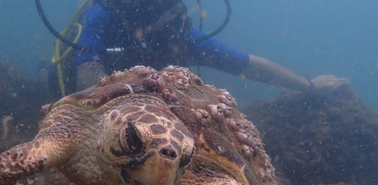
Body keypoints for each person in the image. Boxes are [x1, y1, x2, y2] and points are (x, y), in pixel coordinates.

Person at [70, 0, 348, 94]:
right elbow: (87, 68)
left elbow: (246, 65)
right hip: (85, 100)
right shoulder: (103, 14)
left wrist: (308, 86)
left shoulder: (181, 38)